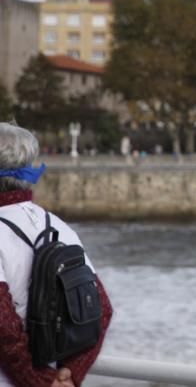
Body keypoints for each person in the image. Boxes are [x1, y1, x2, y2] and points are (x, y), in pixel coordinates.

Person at [0, 123, 113, 387]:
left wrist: (37, 381)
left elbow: (3, 324)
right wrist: (69, 374)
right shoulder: (59, 227)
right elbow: (101, 310)